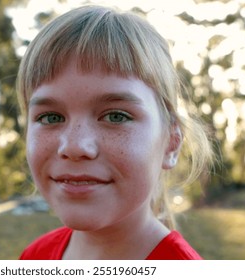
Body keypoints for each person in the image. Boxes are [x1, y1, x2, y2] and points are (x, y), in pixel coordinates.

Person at [16, 5, 214, 260]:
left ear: (171, 143)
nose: (75, 146)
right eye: (50, 117)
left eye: (116, 116)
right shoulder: (34, 256)